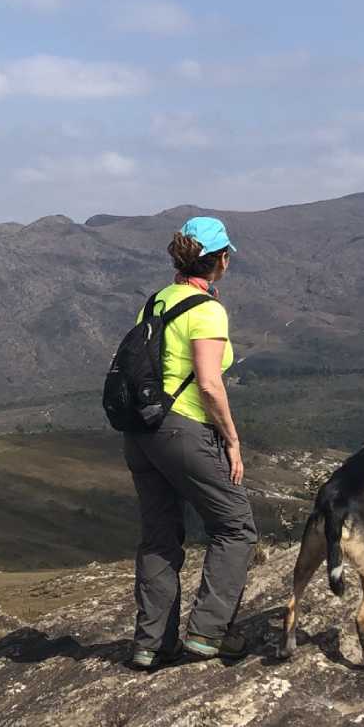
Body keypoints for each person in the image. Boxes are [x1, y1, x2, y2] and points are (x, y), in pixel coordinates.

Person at [124, 214, 258, 669]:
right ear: (219, 260)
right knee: (235, 527)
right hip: (183, 429)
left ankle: (150, 645)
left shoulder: (157, 302)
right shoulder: (207, 310)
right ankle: (207, 634)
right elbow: (208, 383)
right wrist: (232, 439)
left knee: (160, 538)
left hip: (141, 433)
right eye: (226, 256)